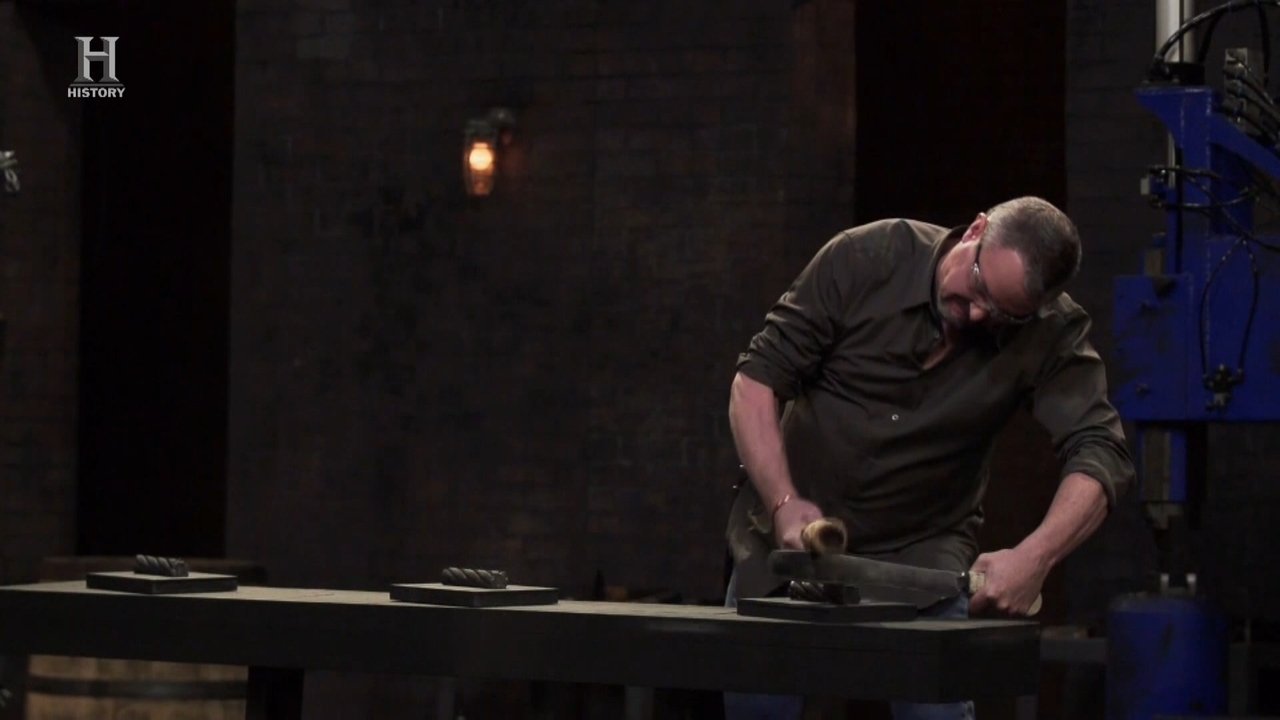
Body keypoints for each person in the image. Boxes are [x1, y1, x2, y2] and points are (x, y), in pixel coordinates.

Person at [724, 197, 1134, 720]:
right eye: (979, 288)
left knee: (935, 712)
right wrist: (783, 502)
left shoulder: (1049, 331)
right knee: (757, 706)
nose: (979, 314)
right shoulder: (866, 258)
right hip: (787, 541)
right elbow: (756, 382)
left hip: (921, 556)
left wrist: (1036, 558)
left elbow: (1102, 451)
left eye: (1003, 315)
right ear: (976, 230)